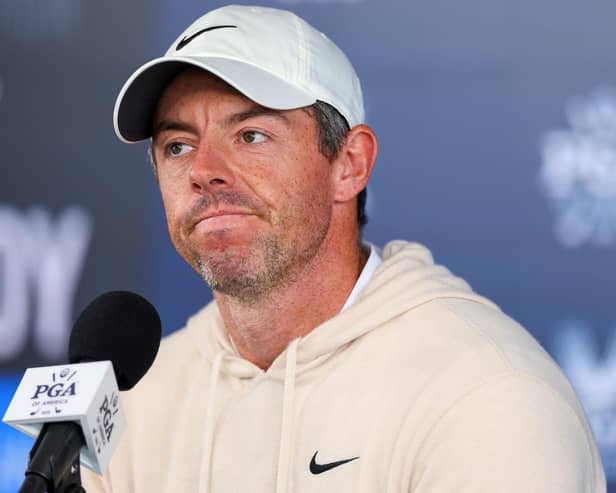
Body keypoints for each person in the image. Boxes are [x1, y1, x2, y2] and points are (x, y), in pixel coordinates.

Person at [83, 4, 606, 492]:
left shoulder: (489, 397)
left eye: (251, 135)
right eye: (178, 146)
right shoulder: (132, 404)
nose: (204, 171)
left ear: (350, 163)